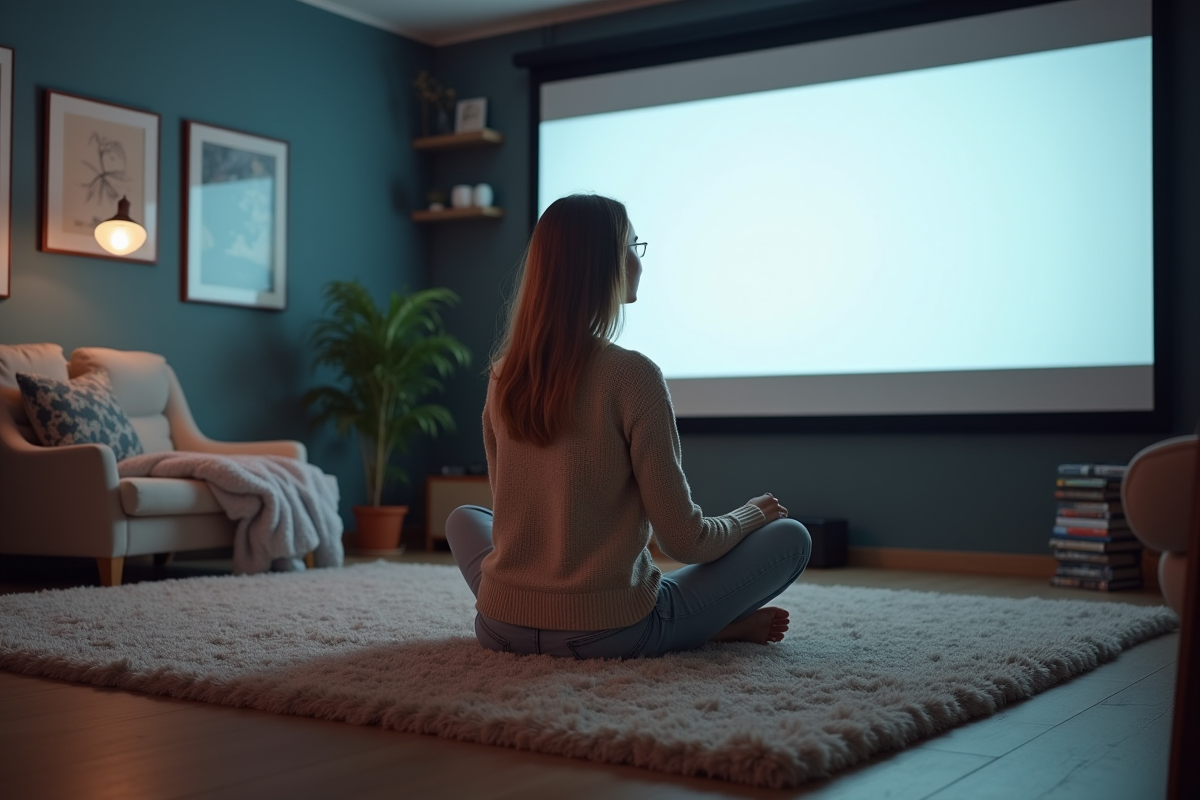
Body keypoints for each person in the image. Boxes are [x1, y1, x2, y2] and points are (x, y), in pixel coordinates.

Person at [446, 194, 811, 659]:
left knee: (464, 519)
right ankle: (707, 627)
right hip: (607, 632)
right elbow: (686, 541)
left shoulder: (503, 374)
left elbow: (514, 522)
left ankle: (697, 624)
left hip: (499, 626)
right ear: (603, 266)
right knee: (792, 539)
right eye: (631, 246)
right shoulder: (633, 375)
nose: (638, 260)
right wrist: (752, 514)